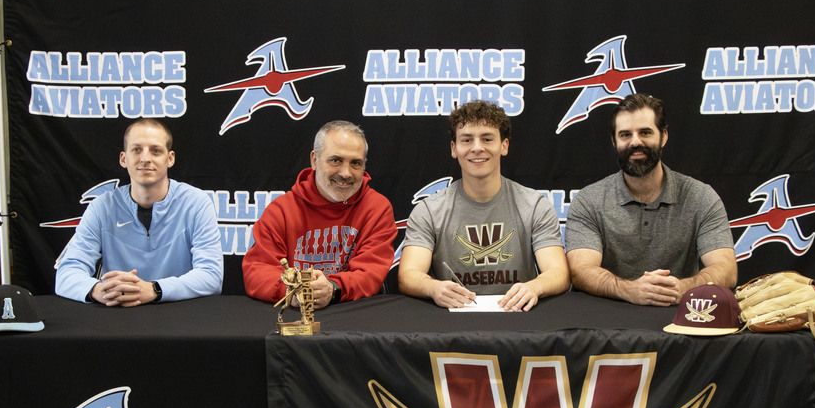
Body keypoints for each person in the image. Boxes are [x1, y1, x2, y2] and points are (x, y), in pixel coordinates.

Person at [564, 93, 736, 307]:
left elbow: (727, 270)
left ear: (663, 136)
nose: (635, 142)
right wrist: (629, 290)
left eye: (645, 132)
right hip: (606, 320)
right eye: (625, 134)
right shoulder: (589, 200)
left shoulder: (701, 197)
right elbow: (580, 270)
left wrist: (682, 289)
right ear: (614, 141)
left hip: (681, 317)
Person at [398, 100, 569, 311]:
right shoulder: (429, 211)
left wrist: (535, 287)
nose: (477, 148)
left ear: (504, 145)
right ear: (454, 148)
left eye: (487, 139)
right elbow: (408, 275)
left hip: (518, 316)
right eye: (466, 140)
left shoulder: (534, 206)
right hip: (453, 320)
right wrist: (433, 288)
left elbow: (558, 273)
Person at [55, 119, 223, 306]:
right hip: (118, 313)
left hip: (179, 314)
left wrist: (154, 290)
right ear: (123, 159)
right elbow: (66, 273)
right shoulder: (101, 207)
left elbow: (211, 275)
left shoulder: (196, 203)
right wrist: (97, 290)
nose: (145, 159)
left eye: (155, 150)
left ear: (170, 158)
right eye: (136, 150)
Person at [242, 120, 397, 308]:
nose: (346, 173)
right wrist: (293, 291)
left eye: (355, 163)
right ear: (314, 160)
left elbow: (371, 273)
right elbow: (257, 271)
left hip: (353, 314)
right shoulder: (281, 211)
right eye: (336, 160)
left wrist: (333, 288)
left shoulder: (377, 208)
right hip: (295, 315)